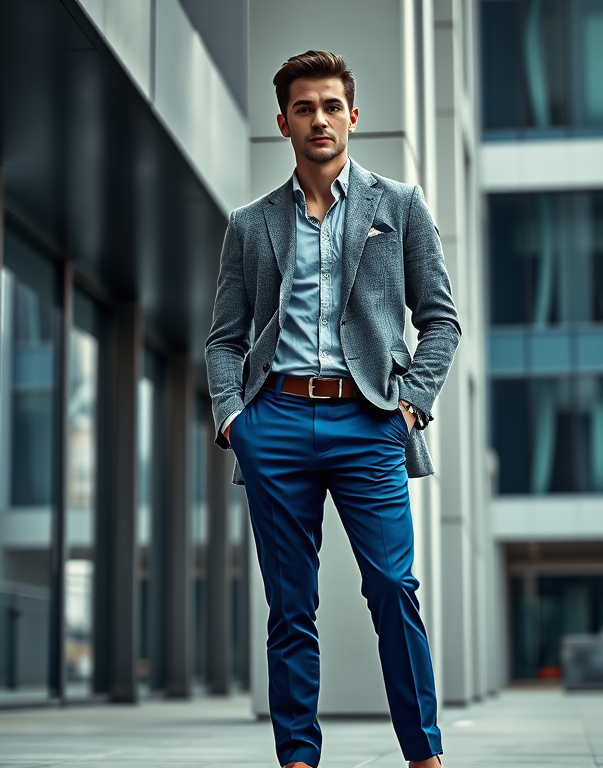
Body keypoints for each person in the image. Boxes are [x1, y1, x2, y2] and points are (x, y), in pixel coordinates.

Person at [205, 50, 460, 768]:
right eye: (306, 108)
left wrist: (409, 406)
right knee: (290, 608)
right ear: (283, 122)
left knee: (391, 588)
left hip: (368, 423)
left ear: (353, 115)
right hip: (275, 424)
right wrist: (234, 419)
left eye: (332, 106)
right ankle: (297, 760)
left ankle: (425, 757)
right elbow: (224, 338)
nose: (321, 119)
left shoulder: (399, 206)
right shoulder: (250, 225)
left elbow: (440, 319)